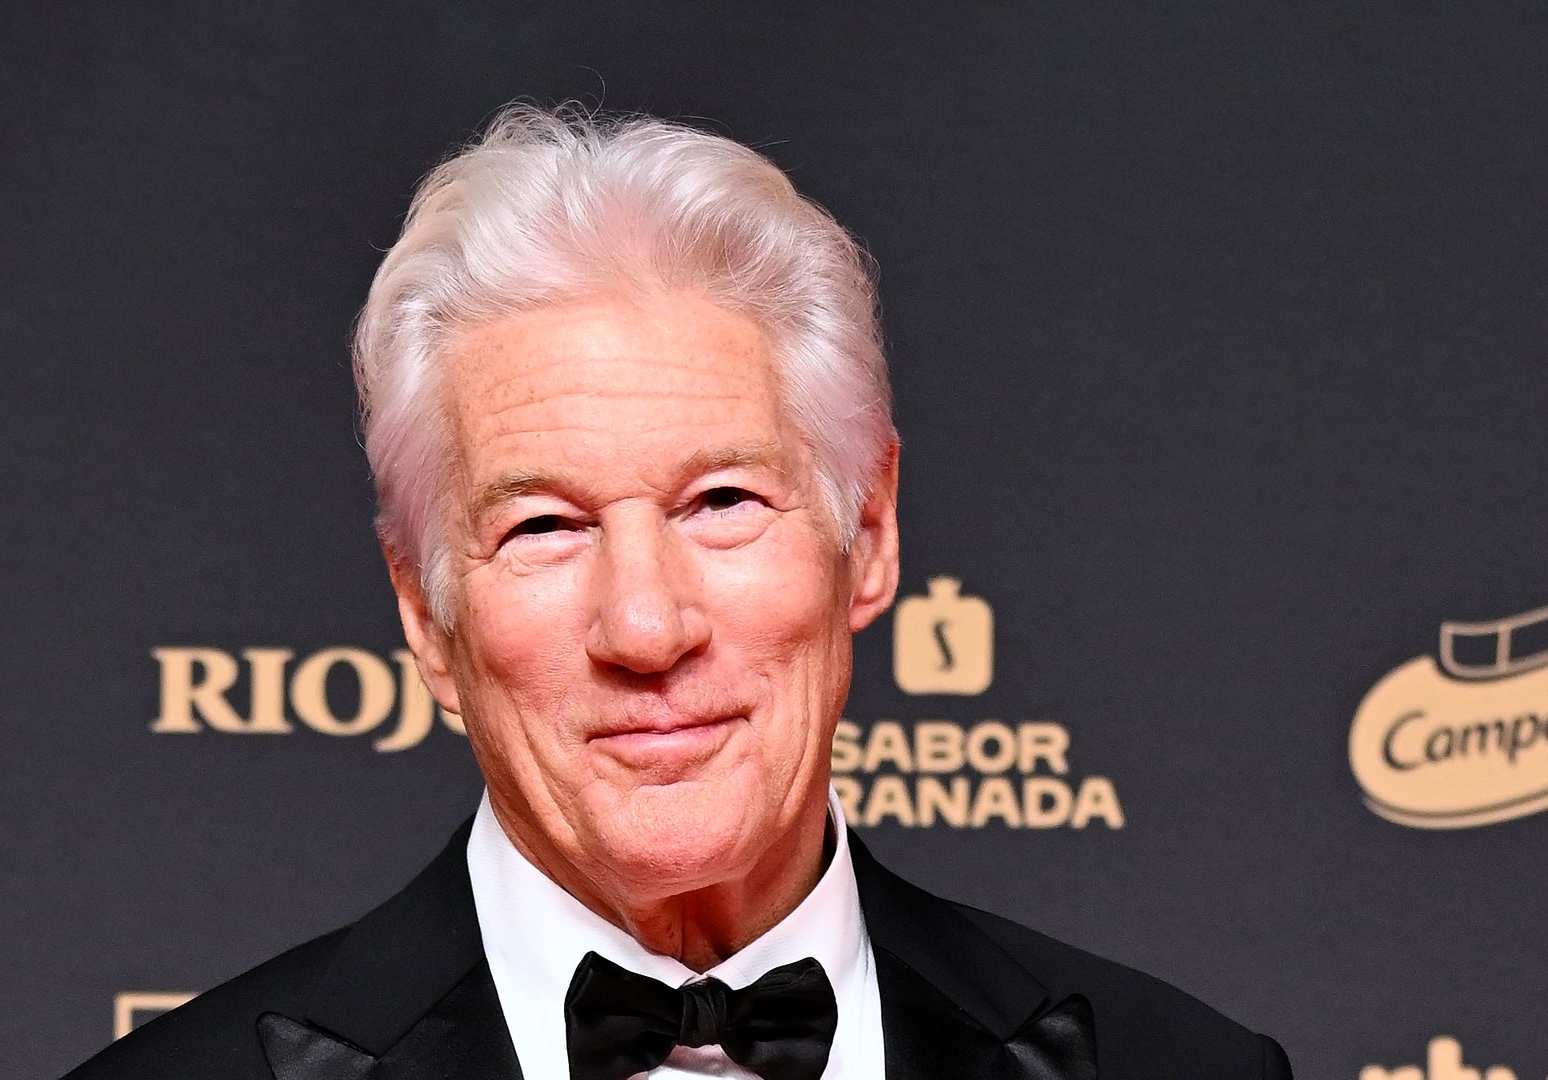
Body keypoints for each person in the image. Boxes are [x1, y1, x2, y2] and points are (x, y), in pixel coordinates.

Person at [62, 105, 1292, 1080]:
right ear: (426, 618)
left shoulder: (1180, 1068)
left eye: (721, 503)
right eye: (545, 526)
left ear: (865, 532)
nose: (646, 627)